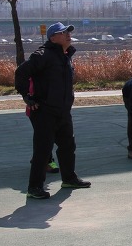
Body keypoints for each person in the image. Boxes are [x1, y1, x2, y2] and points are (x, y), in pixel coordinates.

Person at [14, 22, 92, 198]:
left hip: (63, 111)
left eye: (68, 32)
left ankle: (69, 178)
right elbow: (21, 73)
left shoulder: (66, 56)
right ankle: (34, 188)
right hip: (44, 111)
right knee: (43, 150)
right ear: (53, 38)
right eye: (63, 32)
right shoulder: (43, 55)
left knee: (68, 146)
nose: (68, 34)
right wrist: (27, 97)